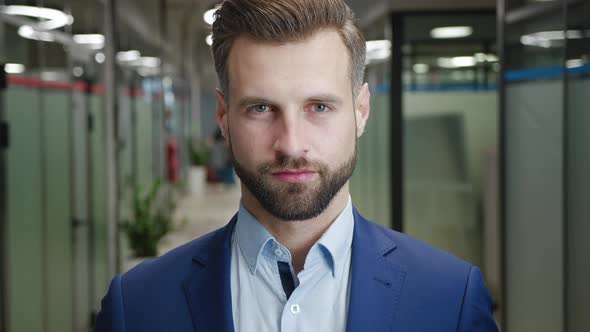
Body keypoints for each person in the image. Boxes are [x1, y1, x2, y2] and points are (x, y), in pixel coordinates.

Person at [94, 0, 498, 331]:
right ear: (223, 117)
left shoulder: (452, 301)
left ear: (361, 111)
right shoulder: (138, 308)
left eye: (319, 107)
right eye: (261, 108)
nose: (291, 143)